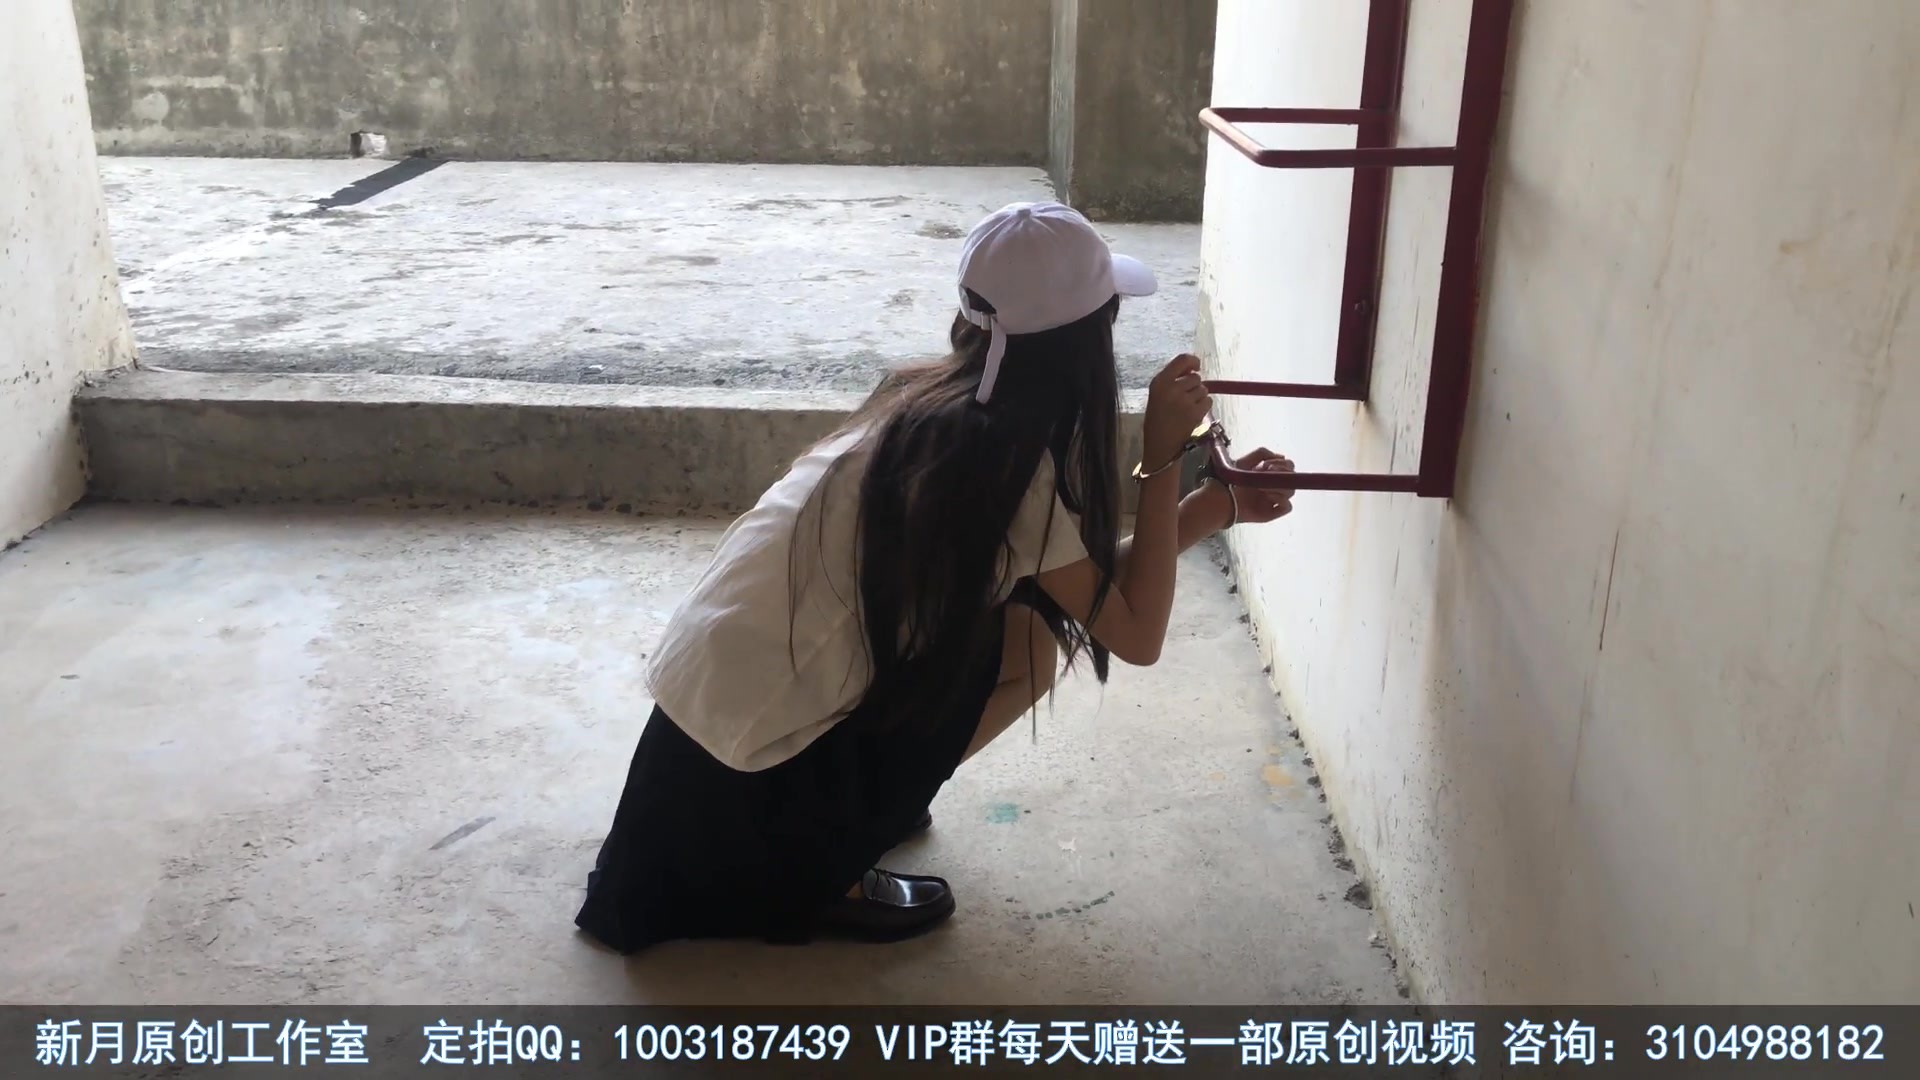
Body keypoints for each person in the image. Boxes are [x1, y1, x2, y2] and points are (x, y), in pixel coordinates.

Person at [574, 201, 1295, 953]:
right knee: (1021, 648)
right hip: (752, 776)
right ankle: (827, 866)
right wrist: (1165, 457)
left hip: (698, 740)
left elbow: (1075, 589)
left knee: (1020, 630)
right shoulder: (1003, 468)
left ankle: (862, 807)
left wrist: (1215, 507)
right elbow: (1135, 633)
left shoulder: (920, 400)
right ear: (1082, 346)